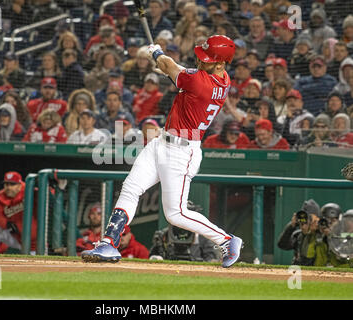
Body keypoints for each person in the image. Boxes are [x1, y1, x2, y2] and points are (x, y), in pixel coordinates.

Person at [81, 35, 243, 268]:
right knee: (130, 188)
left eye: (207, 60)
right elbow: (179, 72)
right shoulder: (222, 80)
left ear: (221, 64)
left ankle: (227, 240)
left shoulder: (200, 82)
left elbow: (169, 66)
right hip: (161, 142)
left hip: (182, 151)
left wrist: (156, 52)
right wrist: (169, 68)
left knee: (175, 214)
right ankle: (109, 242)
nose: (200, 62)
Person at [0, 171, 38, 254]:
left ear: (19, 185)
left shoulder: (30, 191)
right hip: (16, 238)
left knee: (34, 265)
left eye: (12, 184)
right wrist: (6, 224)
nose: (8, 187)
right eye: (6, 184)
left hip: (35, 244)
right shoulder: (0, 196)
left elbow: (49, 195)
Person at [277, 199, 321, 265]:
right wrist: (291, 226)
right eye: (302, 222)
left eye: (309, 219)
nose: (303, 226)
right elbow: (282, 245)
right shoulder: (298, 235)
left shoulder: (321, 237)